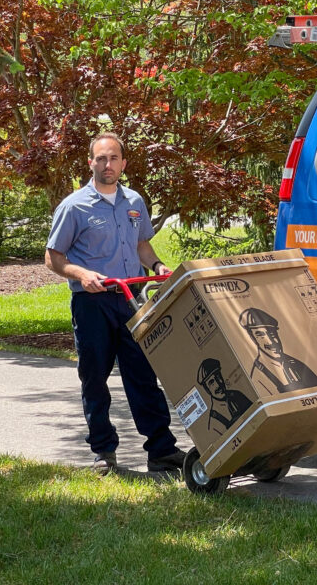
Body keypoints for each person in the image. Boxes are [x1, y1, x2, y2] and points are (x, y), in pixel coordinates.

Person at [45, 132, 186, 475]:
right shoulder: (74, 206)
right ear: (90, 162)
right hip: (92, 304)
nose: (107, 165)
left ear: (124, 163)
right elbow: (52, 257)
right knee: (95, 377)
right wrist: (81, 275)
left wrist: (157, 266)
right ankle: (103, 451)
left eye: (113, 159)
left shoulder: (134, 201)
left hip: (131, 299)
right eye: (100, 159)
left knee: (143, 375)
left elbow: (143, 247)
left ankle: (162, 450)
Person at [239, 307, 317, 395]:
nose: (271, 341)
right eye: (261, 335)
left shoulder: (296, 364)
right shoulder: (258, 376)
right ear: (253, 339)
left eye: (272, 334)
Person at [197, 357, 253, 436]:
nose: (218, 384)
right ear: (207, 390)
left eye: (218, 376)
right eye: (211, 382)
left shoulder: (237, 395)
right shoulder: (214, 423)